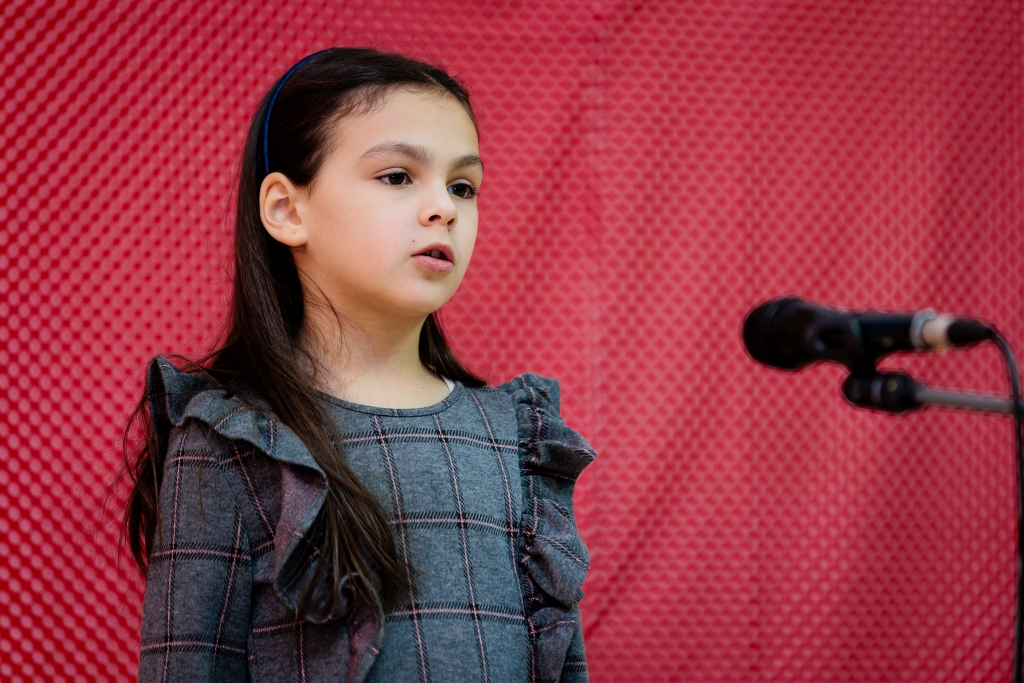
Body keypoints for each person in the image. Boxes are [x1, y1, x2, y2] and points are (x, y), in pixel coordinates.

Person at [119, 47, 597, 683]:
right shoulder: (232, 440)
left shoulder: (519, 438)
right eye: (398, 176)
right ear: (287, 210)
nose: (445, 208)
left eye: (462, 186)